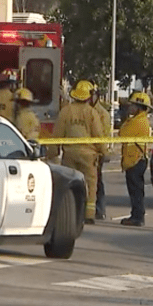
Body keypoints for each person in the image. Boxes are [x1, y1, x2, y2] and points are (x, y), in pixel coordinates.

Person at [49, 80, 107, 224]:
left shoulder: (65, 111)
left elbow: (57, 134)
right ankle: (88, 215)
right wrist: (103, 152)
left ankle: (71, 213)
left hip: (69, 155)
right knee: (90, 185)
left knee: (69, 184)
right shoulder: (92, 113)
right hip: (88, 156)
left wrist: (52, 152)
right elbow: (98, 135)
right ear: (88, 96)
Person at [119, 92, 153, 227]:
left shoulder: (138, 122)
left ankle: (137, 217)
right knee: (136, 190)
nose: (129, 107)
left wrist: (125, 118)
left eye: (132, 105)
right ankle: (136, 215)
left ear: (139, 107)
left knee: (135, 191)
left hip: (135, 160)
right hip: (135, 159)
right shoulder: (138, 120)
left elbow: (122, 133)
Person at [89, 84, 111, 220]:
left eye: (92, 94)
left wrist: (102, 152)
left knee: (97, 181)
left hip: (96, 152)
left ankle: (100, 209)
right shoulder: (85, 110)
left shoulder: (102, 114)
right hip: (86, 151)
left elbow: (103, 135)